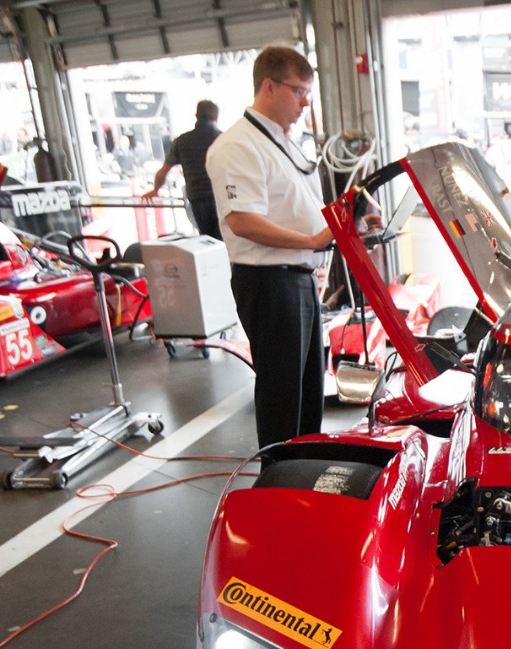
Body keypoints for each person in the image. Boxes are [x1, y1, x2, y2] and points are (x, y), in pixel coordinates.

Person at [205, 46, 373, 450]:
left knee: (308, 391)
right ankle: (277, 482)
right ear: (268, 86)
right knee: (282, 396)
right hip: (269, 281)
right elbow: (242, 220)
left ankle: (302, 472)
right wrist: (311, 241)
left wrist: (351, 225)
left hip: (297, 278)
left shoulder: (282, 140)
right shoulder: (238, 146)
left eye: (307, 93)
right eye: (298, 91)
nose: (304, 103)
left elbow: (294, 206)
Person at [144, 100, 223, 240]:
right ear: (216, 118)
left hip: (197, 198)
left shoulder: (182, 141)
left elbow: (162, 172)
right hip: (222, 197)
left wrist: (155, 190)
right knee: (225, 239)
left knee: (207, 240)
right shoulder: (223, 139)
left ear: (196, 116)